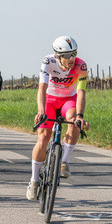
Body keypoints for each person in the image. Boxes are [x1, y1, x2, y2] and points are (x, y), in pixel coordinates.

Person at [26, 36, 89, 201]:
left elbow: (81, 92)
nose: (72, 59)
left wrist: (81, 116)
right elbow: (42, 88)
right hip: (50, 101)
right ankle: (34, 181)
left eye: (74, 54)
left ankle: (65, 161)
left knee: (74, 121)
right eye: (67, 55)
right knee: (44, 138)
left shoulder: (81, 65)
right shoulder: (48, 62)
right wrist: (41, 111)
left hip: (69, 100)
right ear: (57, 56)